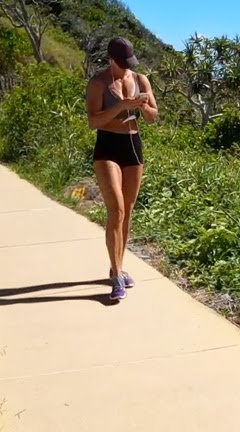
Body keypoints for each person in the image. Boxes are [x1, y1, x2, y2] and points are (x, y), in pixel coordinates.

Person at [85, 37, 158, 302]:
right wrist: (120, 106)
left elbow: (152, 116)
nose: (127, 68)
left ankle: (118, 264)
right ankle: (116, 275)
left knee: (127, 211)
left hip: (133, 146)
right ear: (111, 60)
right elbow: (93, 121)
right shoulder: (98, 83)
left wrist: (144, 106)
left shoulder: (141, 79)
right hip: (107, 146)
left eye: (130, 63)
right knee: (115, 209)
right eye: (122, 63)